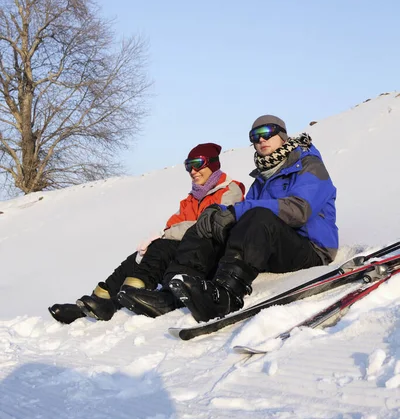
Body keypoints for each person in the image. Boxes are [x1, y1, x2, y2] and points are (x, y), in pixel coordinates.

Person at [128, 115, 338, 323]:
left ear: (282, 135)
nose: (261, 140)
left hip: (311, 249)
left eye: (266, 133)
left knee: (258, 216)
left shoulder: (309, 166)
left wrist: (236, 211)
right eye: (254, 136)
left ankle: (226, 295)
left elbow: (299, 210)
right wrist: (217, 218)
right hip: (272, 246)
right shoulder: (262, 178)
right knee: (206, 224)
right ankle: (171, 293)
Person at [48, 142, 245, 324]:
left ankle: (135, 290)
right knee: (140, 256)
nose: (192, 171)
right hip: (184, 247)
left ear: (212, 164)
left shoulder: (230, 190)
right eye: (188, 166)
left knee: (161, 245)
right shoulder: (191, 199)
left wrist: (168, 234)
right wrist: (165, 235)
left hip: (209, 252)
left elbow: (210, 224)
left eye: (197, 164)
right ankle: (100, 298)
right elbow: (172, 225)